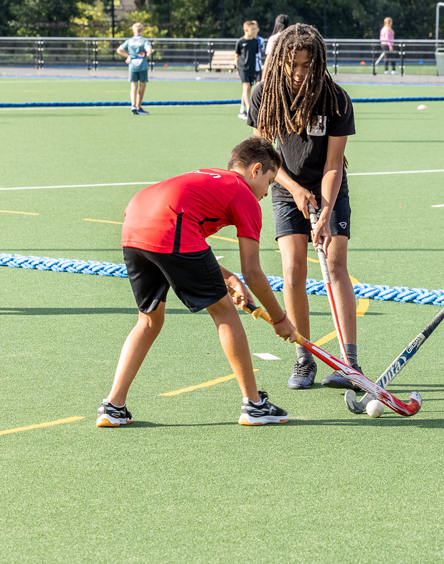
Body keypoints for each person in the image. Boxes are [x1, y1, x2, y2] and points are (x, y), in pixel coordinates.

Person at [97, 137, 295, 427]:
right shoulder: (244, 196)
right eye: (270, 180)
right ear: (255, 170)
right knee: (224, 312)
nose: (268, 191)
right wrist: (279, 319)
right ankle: (254, 405)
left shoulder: (211, 178)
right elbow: (252, 271)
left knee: (149, 320)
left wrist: (228, 278)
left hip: (133, 226)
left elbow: (188, 240)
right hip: (168, 228)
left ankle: (112, 407)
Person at [247, 23, 362, 391]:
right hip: (284, 186)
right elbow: (261, 156)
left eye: (308, 65)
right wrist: (294, 189)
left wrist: (325, 210)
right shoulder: (265, 94)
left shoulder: (336, 100)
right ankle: (304, 357)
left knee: (334, 262)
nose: (299, 73)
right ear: (281, 61)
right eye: (293, 65)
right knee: (293, 268)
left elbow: (333, 165)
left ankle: (350, 362)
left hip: (329, 189)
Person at [116, 22, 153, 116]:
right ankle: (138, 106)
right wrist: (145, 54)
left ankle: (133, 105)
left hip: (132, 65)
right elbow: (149, 51)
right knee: (142, 86)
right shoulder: (144, 41)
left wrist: (128, 56)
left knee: (133, 87)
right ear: (142, 31)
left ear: (133, 32)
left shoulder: (129, 41)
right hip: (142, 65)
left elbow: (119, 50)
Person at [235, 21, 261, 120]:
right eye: (253, 29)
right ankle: (251, 110)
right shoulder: (240, 42)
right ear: (246, 30)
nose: (255, 31)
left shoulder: (255, 42)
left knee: (248, 89)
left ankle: (242, 111)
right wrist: (237, 68)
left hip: (252, 68)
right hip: (243, 69)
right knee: (246, 88)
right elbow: (236, 56)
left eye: (255, 29)